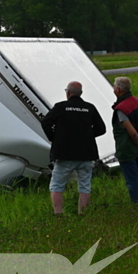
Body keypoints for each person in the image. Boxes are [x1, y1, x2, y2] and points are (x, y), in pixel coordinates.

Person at [41, 81, 106, 215]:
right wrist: (87, 136)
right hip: (86, 154)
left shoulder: (60, 107)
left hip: (64, 153)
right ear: (80, 94)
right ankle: (82, 214)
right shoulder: (89, 108)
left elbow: (45, 122)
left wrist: (53, 137)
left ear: (68, 93)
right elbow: (101, 129)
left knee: (57, 185)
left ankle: (58, 214)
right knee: (84, 186)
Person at [111, 76, 138, 205]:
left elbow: (132, 132)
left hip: (127, 149)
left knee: (131, 180)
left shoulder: (121, 108)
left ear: (118, 89)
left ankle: (137, 206)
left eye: (114, 86)